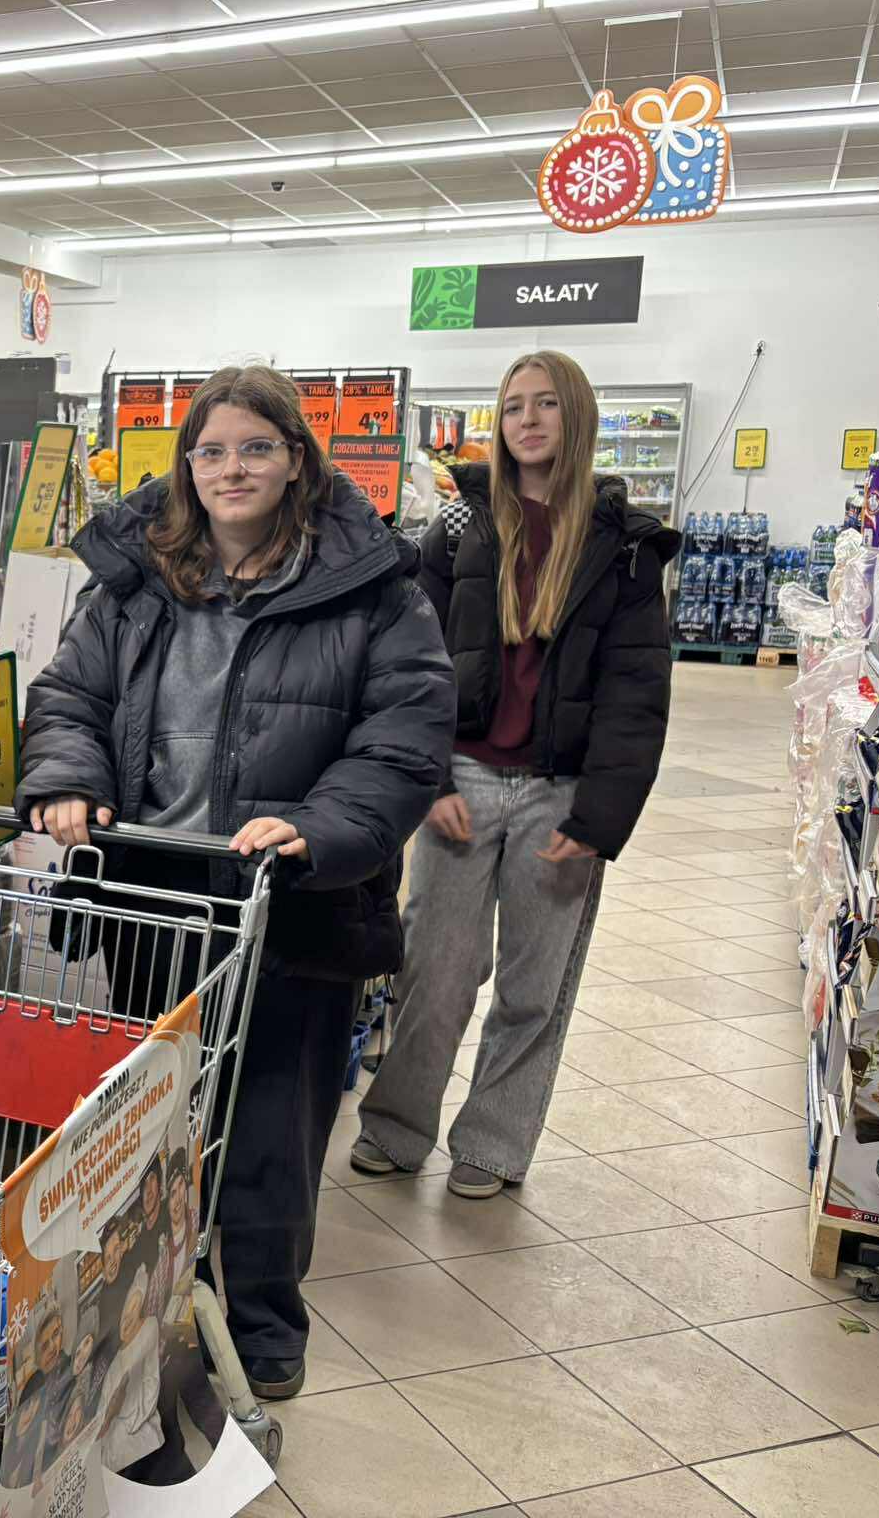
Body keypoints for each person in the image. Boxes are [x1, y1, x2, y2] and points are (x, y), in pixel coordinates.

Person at [17, 363, 453, 1407]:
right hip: (153, 894)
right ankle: (154, 1302)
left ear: (296, 459)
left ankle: (259, 1327)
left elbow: (404, 735)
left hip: (288, 901)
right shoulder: (134, 578)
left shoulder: (371, 587)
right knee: (158, 1118)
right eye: (210, 451)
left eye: (256, 447)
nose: (232, 469)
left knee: (270, 1130)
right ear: (186, 466)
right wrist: (69, 777)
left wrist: (316, 828)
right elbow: (68, 695)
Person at [355, 350, 680, 1198]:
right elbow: (412, 664)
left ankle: (493, 1146)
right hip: (463, 778)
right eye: (512, 407)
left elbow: (636, 694)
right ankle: (395, 1126)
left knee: (534, 987)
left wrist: (599, 818)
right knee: (435, 972)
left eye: (545, 405)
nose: (527, 421)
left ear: (577, 417)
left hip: (561, 795)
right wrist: (429, 780)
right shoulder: (458, 526)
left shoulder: (627, 549)